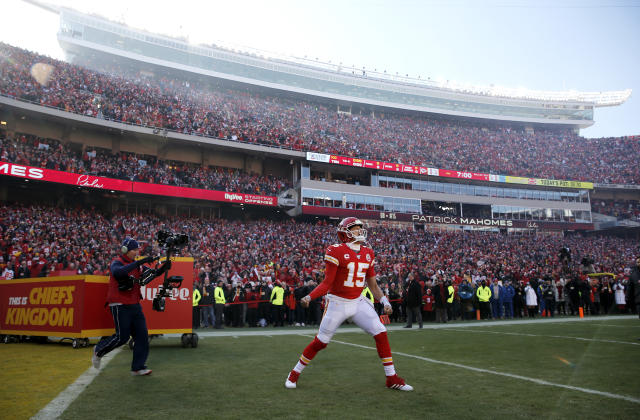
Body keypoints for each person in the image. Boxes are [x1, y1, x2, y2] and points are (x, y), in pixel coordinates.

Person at [284, 217, 413, 391]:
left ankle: (391, 377)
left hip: (358, 301)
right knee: (321, 342)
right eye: (355, 228)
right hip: (338, 302)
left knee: (381, 332)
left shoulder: (368, 252)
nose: (360, 231)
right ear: (345, 233)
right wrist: (309, 297)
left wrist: (384, 301)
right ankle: (294, 373)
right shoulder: (335, 250)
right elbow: (327, 283)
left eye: (360, 227)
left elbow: (373, 285)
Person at [92, 237, 166, 376]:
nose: (137, 252)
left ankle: (138, 367)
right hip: (119, 303)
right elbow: (118, 272)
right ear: (126, 250)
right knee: (122, 337)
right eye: (134, 249)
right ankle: (99, 350)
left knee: (142, 336)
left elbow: (151, 275)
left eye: (138, 249)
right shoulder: (116, 262)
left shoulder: (136, 264)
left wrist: (163, 268)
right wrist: (140, 262)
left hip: (134, 304)